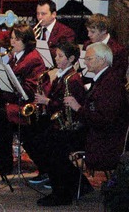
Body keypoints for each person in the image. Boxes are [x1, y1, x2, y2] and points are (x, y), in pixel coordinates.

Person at [35, 42, 128, 206]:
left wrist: (77, 108)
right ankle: (72, 186)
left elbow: (103, 119)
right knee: (49, 137)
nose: (85, 62)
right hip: (95, 131)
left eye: (89, 59)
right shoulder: (105, 79)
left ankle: (62, 194)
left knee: (54, 144)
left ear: (102, 60)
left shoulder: (110, 84)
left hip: (103, 139)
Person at [0, 24, 46, 175]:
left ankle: (5, 163)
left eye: (17, 39)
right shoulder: (17, 56)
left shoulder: (33, 59)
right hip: (14, 100)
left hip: (25, 105)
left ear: (27, 41)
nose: (12, 42)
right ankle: (1, 158)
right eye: (12, 38)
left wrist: (5, 89)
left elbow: (29, 90)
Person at [28, 41, 85, 186]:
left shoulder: (72, 79)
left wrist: (47, 101)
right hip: (57, 120)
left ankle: (62, 178)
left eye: (60, 56)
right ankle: (50, 173)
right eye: (56, 56)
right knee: (31, 134)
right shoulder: (62, 76)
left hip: (68, 126)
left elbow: (67, 104)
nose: (56, 59)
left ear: (71, 59)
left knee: (44, 142)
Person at [82, 13, 128, 83]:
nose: (88, 34)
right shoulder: (87, 45)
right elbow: (84, 69)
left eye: (92, 32)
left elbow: (118, 76)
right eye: (88, 31)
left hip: (108, 86)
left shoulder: (118, 50)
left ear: (104, 31)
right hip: (88, 83)